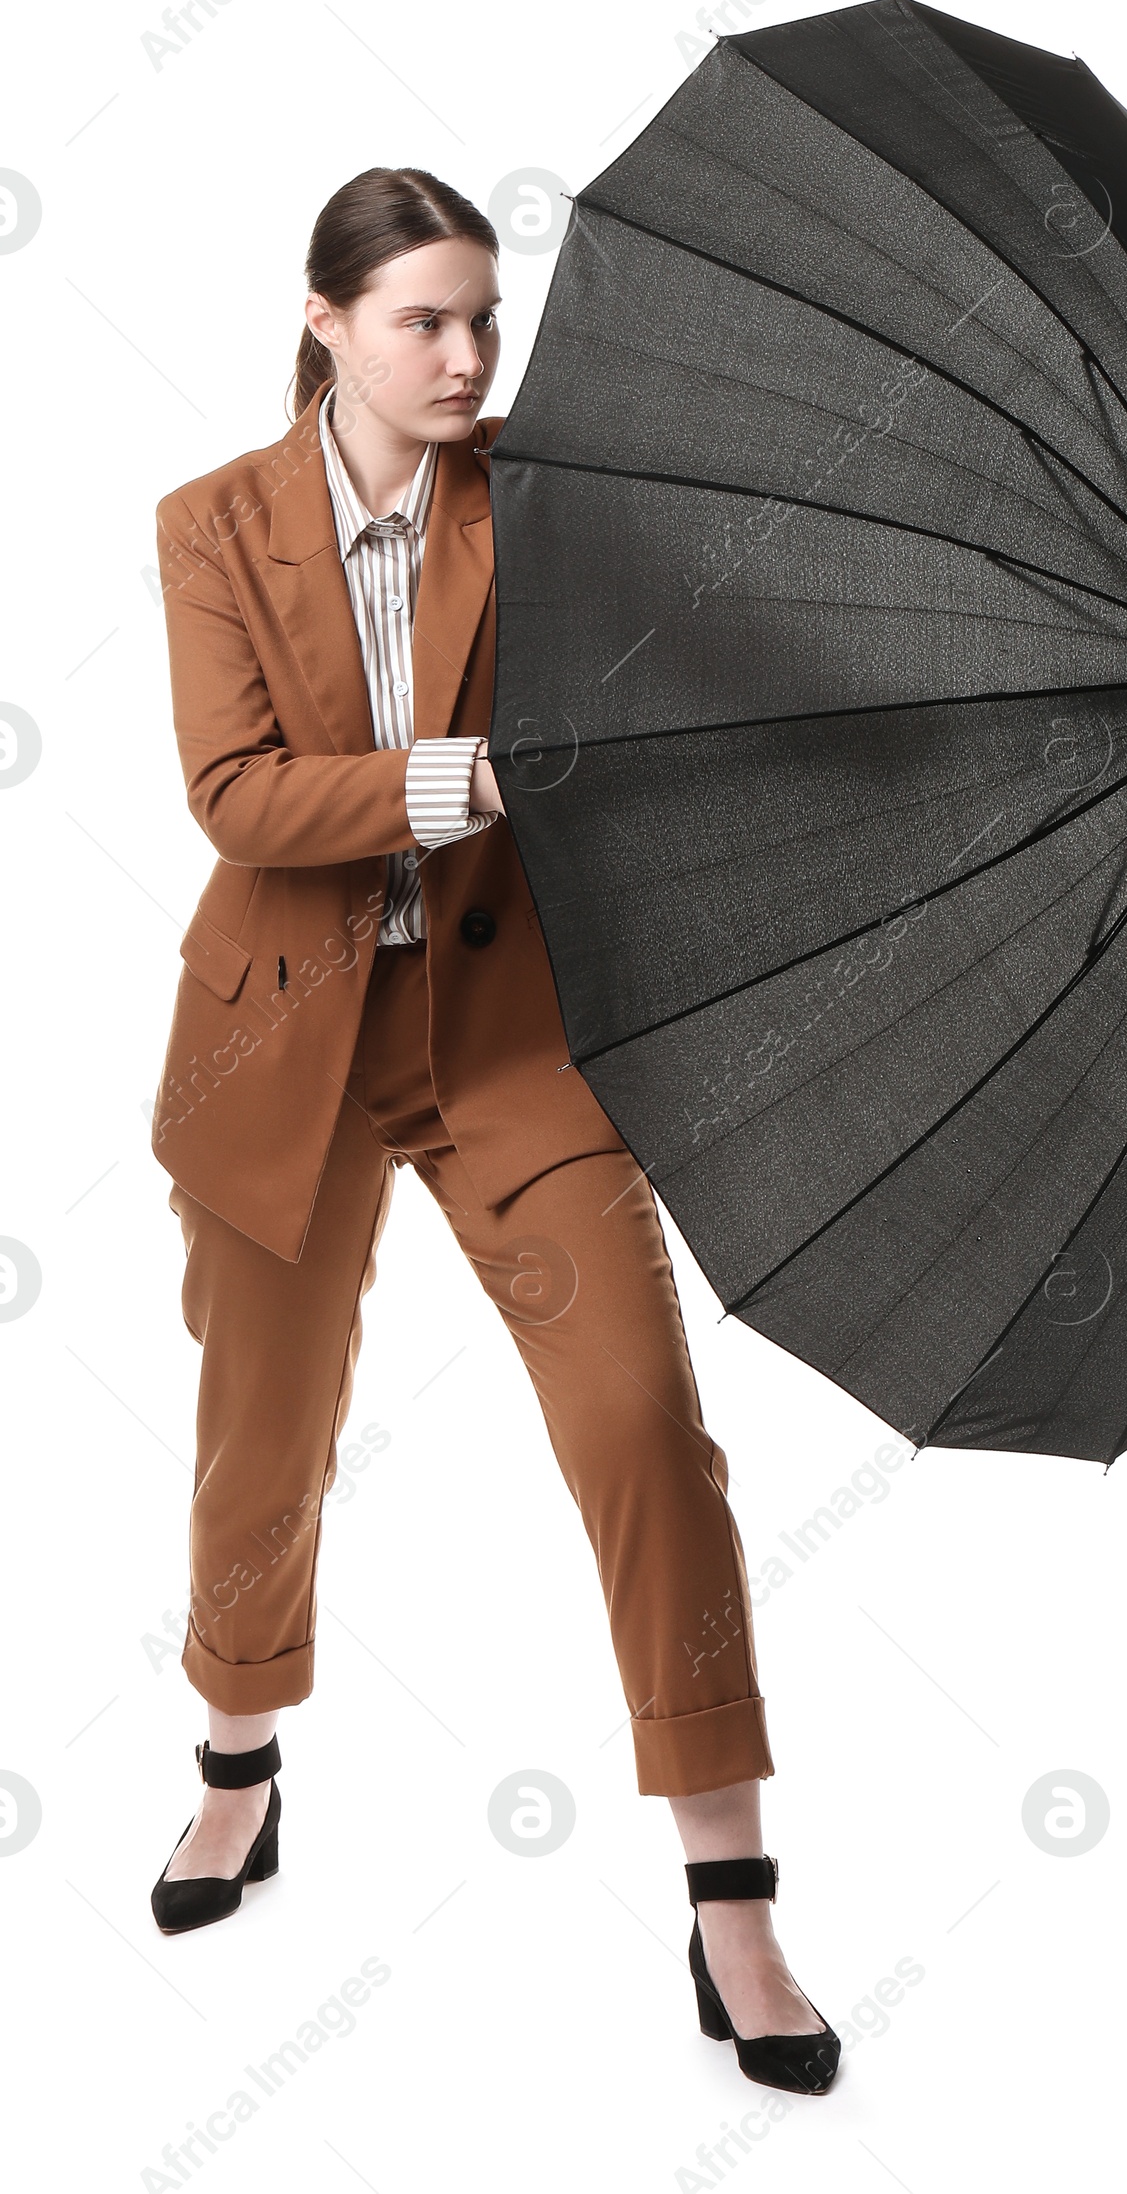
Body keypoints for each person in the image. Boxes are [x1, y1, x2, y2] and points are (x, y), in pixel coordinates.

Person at [144, 165, 838, 2095]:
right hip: (276, 1043)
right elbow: (235, 794)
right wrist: (446, 776)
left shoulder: (548, 496)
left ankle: (736, 1899)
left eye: (482, 320)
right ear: (325, 321)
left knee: (638, 1419)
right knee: (260, 1437)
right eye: (421, 322)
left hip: (513, 1039)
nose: (464, 357)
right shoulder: (214, 524)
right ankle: (236, 1765)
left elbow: (718, 661)